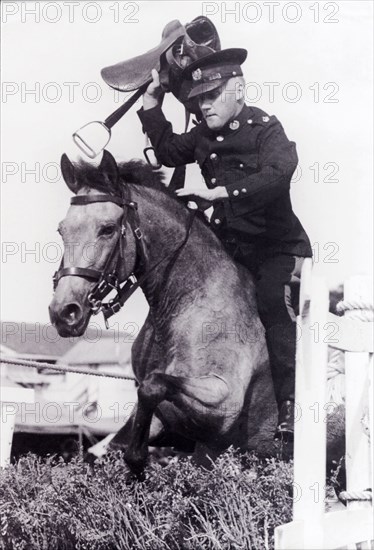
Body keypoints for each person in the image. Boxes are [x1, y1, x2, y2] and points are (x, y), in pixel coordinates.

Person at [137, 48, 312, 438]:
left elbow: (279, 173)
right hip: (230, 250)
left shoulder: (266, 129)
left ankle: (289, 406)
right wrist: (152, 105)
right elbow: (166, 151)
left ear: (240, 90)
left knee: (271, 301)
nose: (205, 105)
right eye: (199, 98)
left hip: (275, 249)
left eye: (213, 95)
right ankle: (182, 404)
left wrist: (224, 194)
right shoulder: (202, 134)